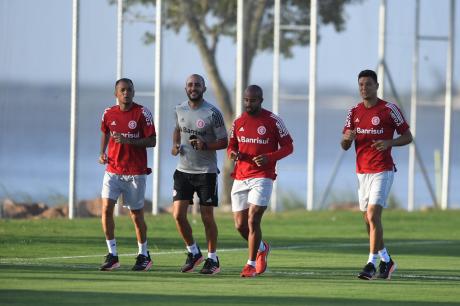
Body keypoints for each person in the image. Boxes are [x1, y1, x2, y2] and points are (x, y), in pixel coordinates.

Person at [341, 70, 413, 280]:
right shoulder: (353, 111)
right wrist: (347, 139)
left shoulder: (389, 109)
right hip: (362, 172)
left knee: (373, 216)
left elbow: (408, 136)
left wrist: (389, 142)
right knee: (368, 221)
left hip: (383, 170)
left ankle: (370, 264)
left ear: (377, 86)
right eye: (361, 85)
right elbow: (344, 145)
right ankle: (386, 260)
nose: (364, 88)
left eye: (368, 84)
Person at [228, 85, 293, 277]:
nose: (249, 104)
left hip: (263, 176)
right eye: (246, 100)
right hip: (241, 176)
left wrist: (269, 157)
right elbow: (232, 144)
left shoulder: (273, 121)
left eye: (253, 100)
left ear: (261, 100)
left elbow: (289, 146)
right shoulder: (238, 121)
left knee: (253, 217)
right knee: (240, 225)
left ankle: (249, 265)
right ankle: (262, 247)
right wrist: (232, 153)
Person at [171, 74, 228, 275]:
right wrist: (175, 145)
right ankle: (194, 253)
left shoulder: (213, 113)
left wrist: (206, 145)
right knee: (178, 215)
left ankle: (213, 259)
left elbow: (224, 141)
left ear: (203, 88)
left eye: (197, 85)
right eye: (190, 85)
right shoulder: (179, 109)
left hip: (206, 173)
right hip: (183, 171)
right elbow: (178, 129)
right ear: (186, 88)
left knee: (206, 217)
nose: (193, 87)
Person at [98, 78, 156, 271]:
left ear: (133, 92)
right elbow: (105, 132)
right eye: (122, 90)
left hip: (135, 173)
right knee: (106, 210)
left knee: (136, 215)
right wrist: (102, 152)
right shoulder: (108, 113)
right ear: (116, 93)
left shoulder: (142, 113)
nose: (126, 93)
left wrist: (128, 141)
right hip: (113, 171)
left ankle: (144, 254)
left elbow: (152, 141)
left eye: (129, 90)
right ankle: (113, 255)